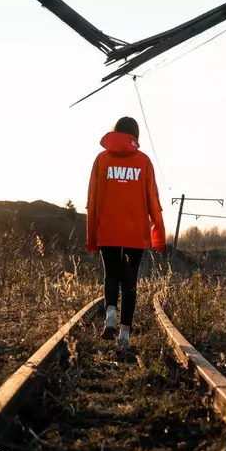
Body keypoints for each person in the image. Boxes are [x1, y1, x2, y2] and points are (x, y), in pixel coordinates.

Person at [85, 116, 167, 349]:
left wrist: (92, 237)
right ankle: (124, 336)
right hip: (135, 233)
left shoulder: (102, 160)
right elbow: (153, 200)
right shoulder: (144, 162)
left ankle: (110, 314)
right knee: (130, 280)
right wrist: (158, 237)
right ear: (135, 135)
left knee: (111, 273)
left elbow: (92, 200)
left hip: (108, 230)